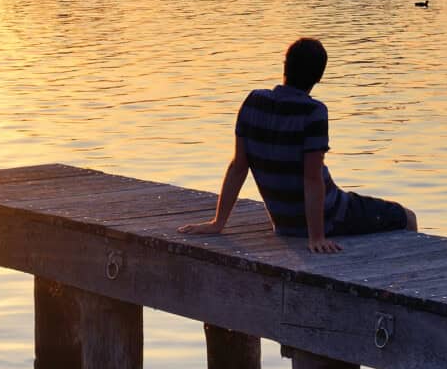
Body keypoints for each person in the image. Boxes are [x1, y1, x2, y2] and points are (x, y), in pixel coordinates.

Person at [178, 38, 417, 253]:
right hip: (331, 215)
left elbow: (238, 167)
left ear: (285, 67)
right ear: (319, 77)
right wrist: (317, 237)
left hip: (283, 222)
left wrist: (218, 222)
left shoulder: (253, 102)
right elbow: (312, 178)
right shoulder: (313, 112)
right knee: (406, 216)